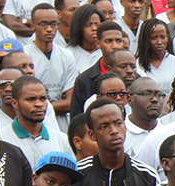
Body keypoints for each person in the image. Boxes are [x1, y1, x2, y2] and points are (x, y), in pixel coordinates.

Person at [0, 75, 73, 165]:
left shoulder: (62, 140)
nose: (39, 104)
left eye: (43, 98)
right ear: (15, 103)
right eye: (31, 99)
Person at [25, 3, 77, 131]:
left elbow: (70, 102)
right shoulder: (24, 55)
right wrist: (58, 104)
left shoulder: (66, 55)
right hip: (32, 123)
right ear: (33, 25)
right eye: (43, 24)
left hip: (62, 124)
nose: (49, 29)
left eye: (53, 24)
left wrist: (38, 106)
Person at [69, 23, 129, 120]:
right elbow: (77, 118)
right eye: (109, 41)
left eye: (119, 41)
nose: (115, 46)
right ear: (98, 43)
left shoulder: (134, 77)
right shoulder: (84, 80)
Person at [136, 19, 175, 98]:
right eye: (154, 38)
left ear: (168, 37)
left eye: (163, 37)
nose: (159, 42)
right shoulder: (137, 64)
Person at [124, 78, 162, 158]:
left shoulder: (169, 133)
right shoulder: (120, 135)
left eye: (159, 95)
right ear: (130, 99)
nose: (155, 99)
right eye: (147, 94)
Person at [66, 5, 103, 74]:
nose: (94, 28)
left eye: (97, 24)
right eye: (89, 25)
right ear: (79, 28)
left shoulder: (105, 52)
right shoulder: (68, 54)